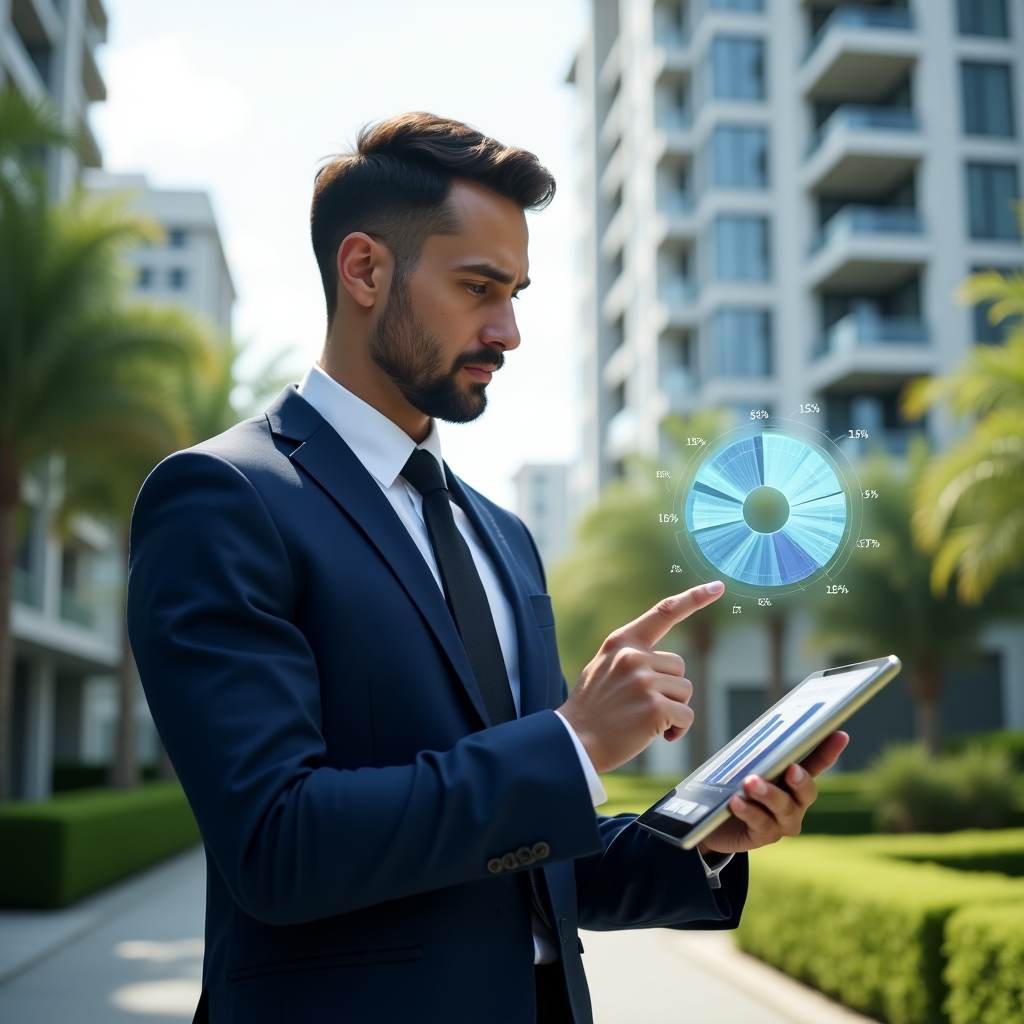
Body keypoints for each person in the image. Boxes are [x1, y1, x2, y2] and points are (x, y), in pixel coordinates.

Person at [127, 113, 848, 1024]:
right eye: (478, 287)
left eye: (517, 293)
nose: (507, 331)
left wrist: (702, 839)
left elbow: (524, 858)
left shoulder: (500, 535)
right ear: (364, 270)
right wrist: (575, 742)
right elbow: (278, 845)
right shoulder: (223, 496)